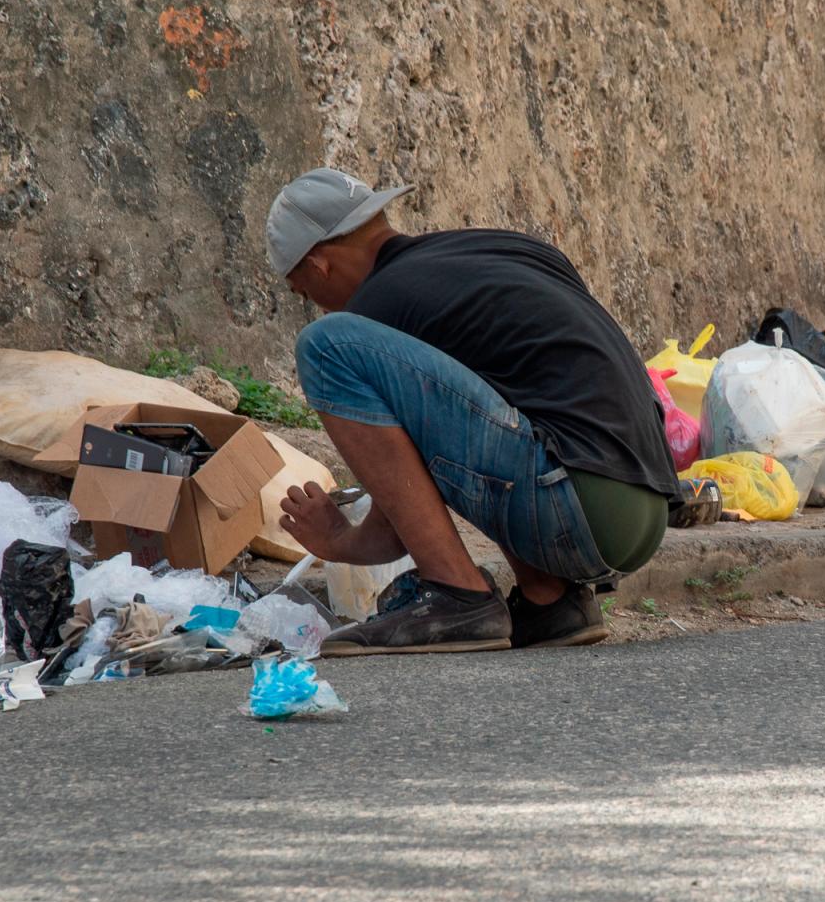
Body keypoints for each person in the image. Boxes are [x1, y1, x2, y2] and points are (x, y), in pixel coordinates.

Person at [265, 168, 679, 656]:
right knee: (516, 392)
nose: (314, 303)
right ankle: (549, 601)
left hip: (577, 507)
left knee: (324, 346)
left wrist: (338, 540)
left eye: (303, 292)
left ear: (319, 266)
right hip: (644, 509)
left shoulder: (377, 305)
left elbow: (390, 533)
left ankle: (458, 595)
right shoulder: (499, 252)